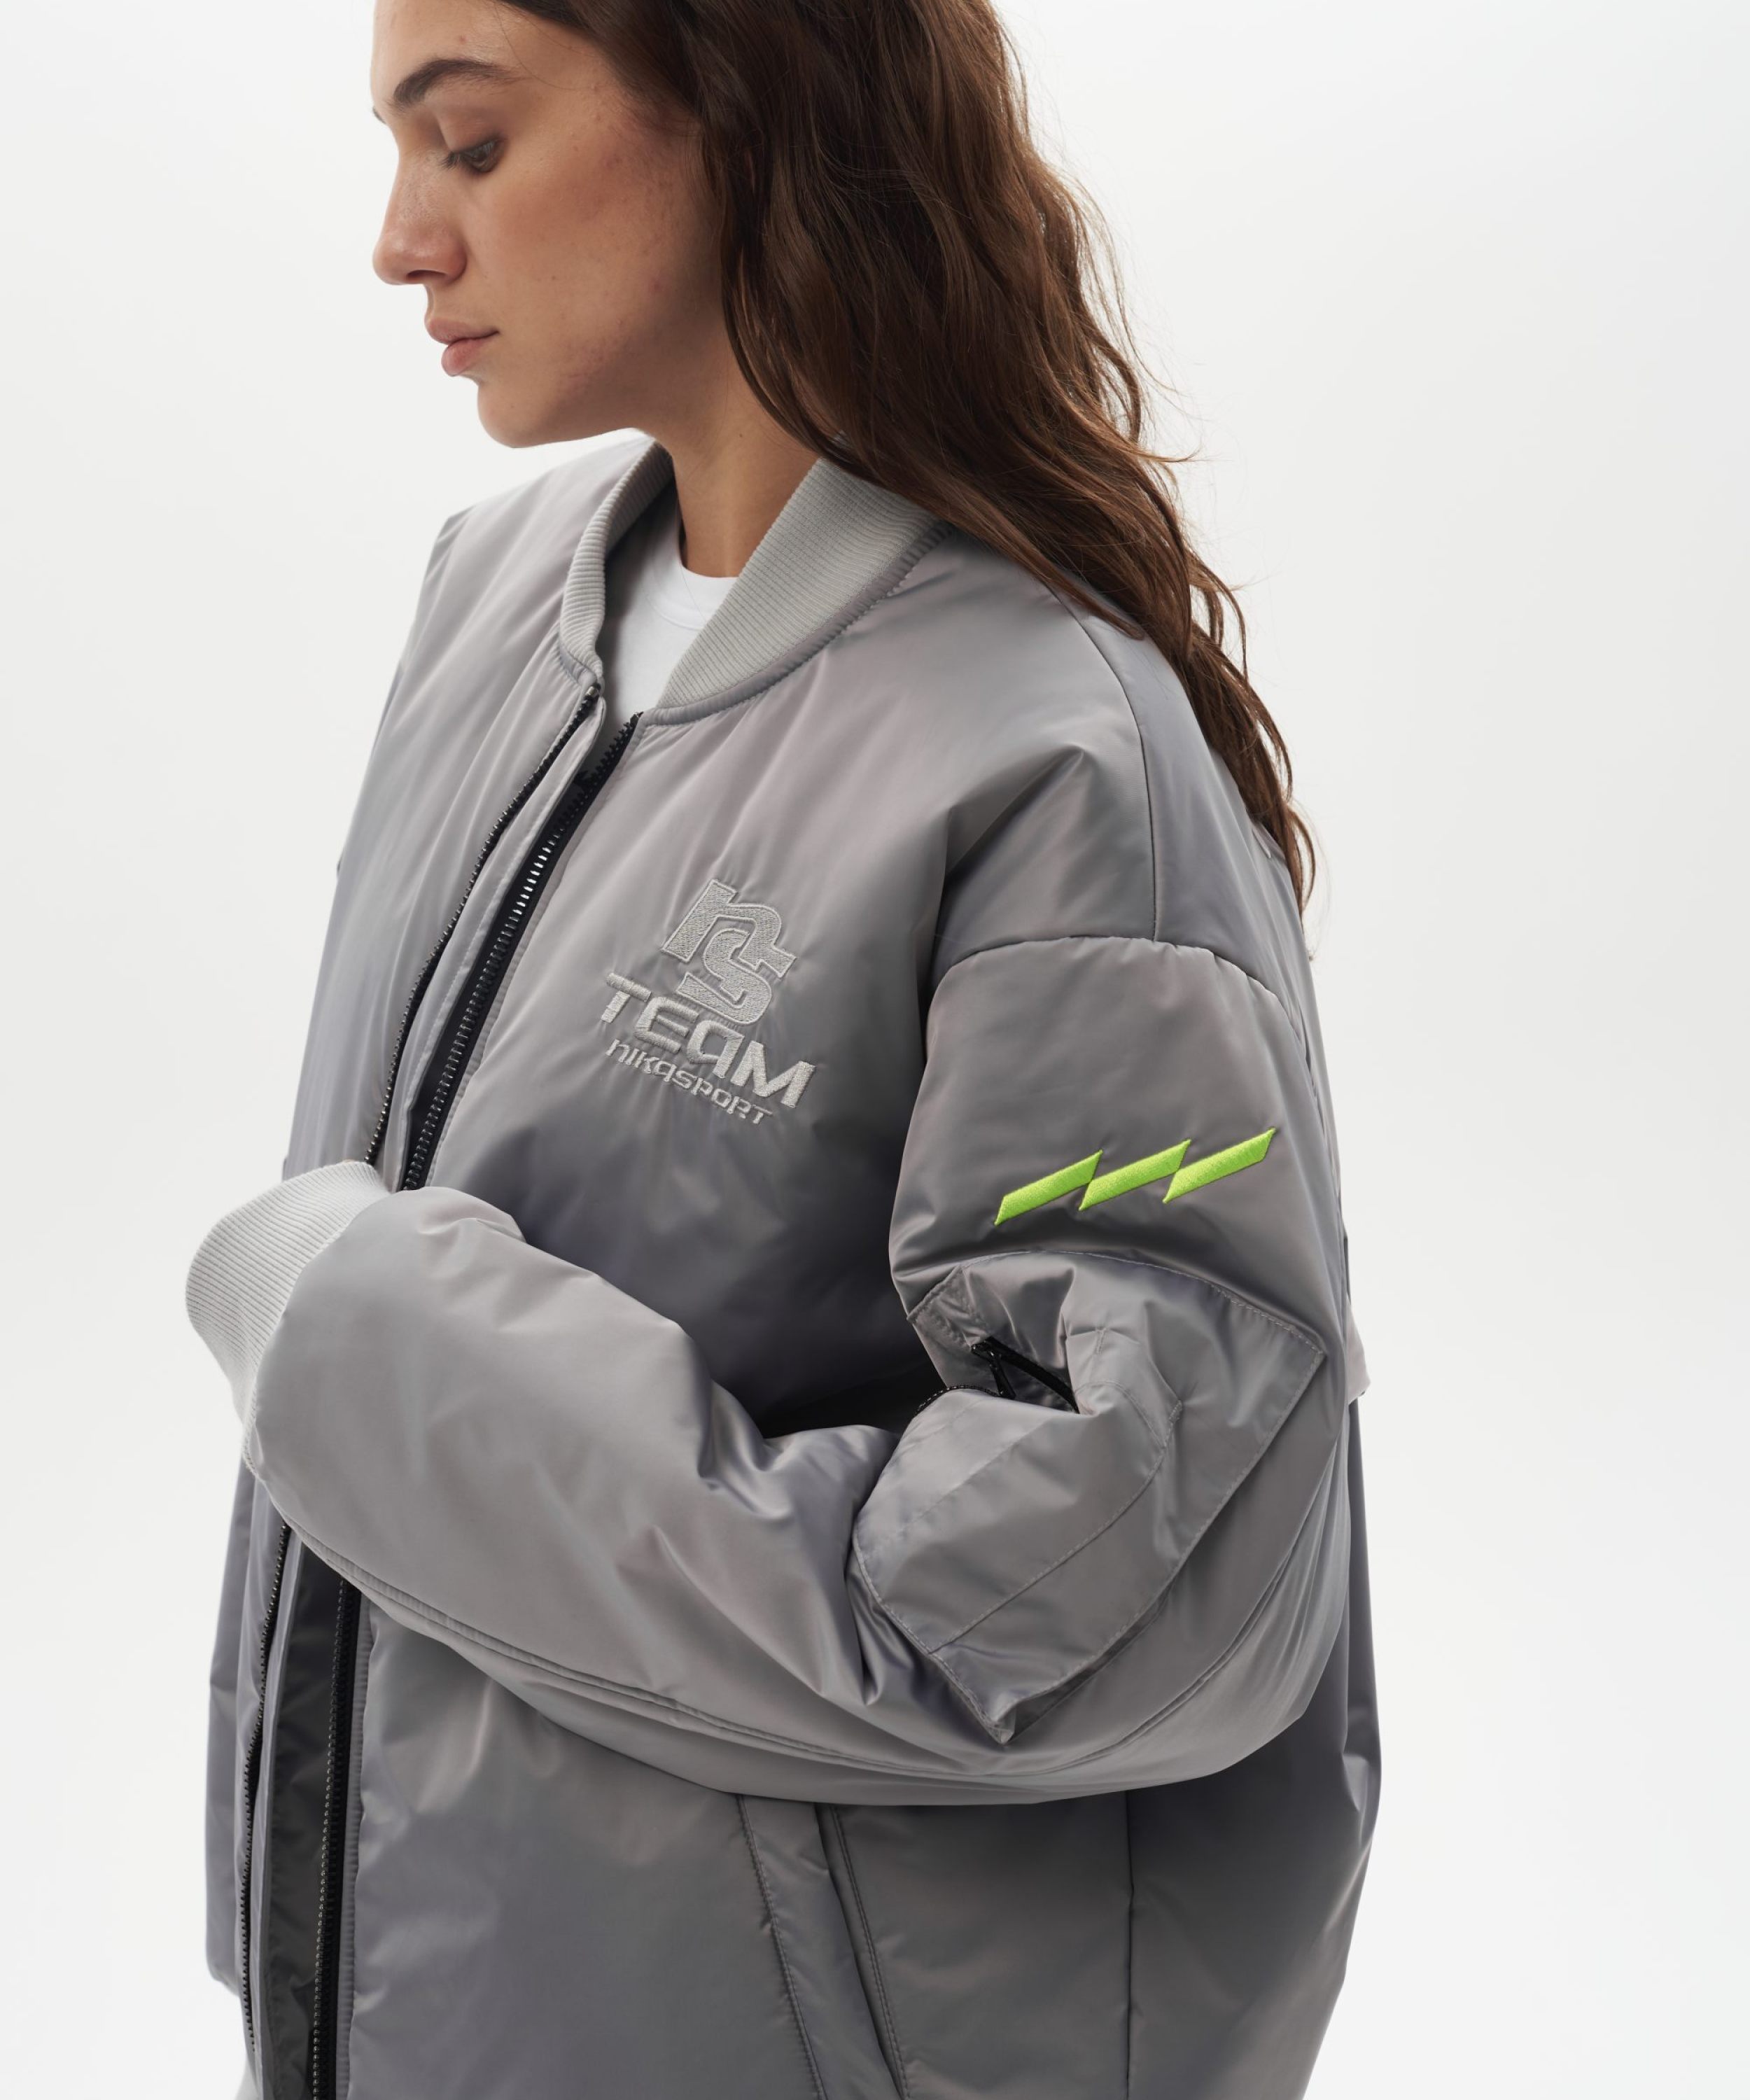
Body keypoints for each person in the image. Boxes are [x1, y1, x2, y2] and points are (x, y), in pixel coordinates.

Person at [185, 1, 1379, 2095]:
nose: (400, 241)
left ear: (746, 108)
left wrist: (369, 1349)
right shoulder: (494, 604)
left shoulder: (1054, 765)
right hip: (422, 1999)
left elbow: (1111, 1590)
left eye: (470, 144)